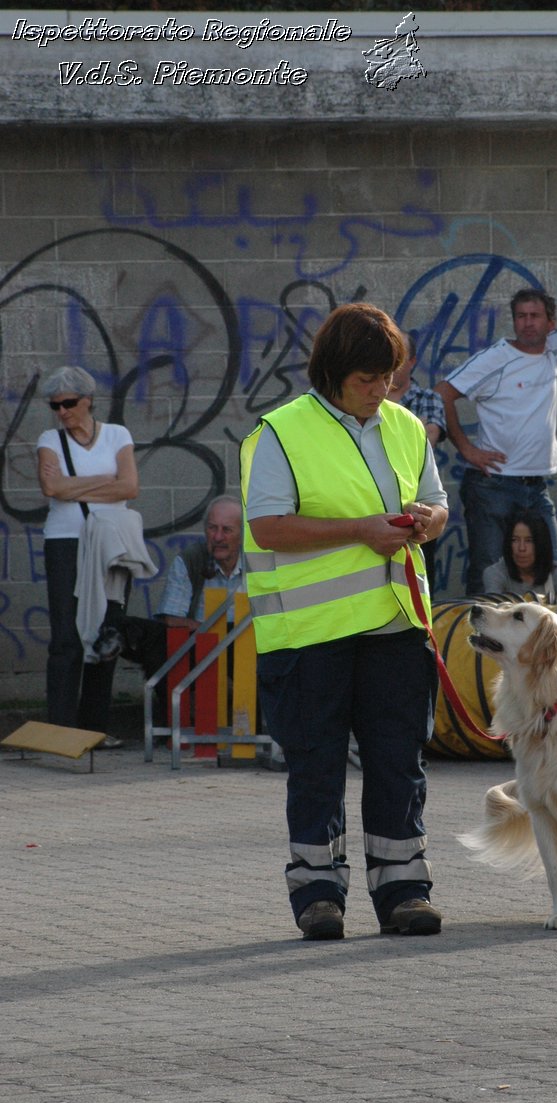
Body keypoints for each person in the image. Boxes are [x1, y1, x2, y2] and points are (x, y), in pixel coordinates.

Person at [241, 302, 448, 941]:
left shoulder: (405, 426)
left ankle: (404, 891)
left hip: (395, 627)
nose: (380, 390)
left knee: (398, 762)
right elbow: (267, 526)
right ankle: (318, 896)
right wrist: (361, 530)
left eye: (389, 377)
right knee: (316, 765)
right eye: (367, 379)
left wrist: (424, 520)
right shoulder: (280, 432)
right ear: (333, 373)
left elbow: (440, 506)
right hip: (309, 636)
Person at [435, 277, 557, 594]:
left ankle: (550, 642)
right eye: (521, 316)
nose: (527, 323)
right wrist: (466, 449)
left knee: (554, 572)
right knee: (488, 576)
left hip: (535, 485)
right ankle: (479, 642)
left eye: (535, 316)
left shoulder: (555, 350)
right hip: (492, 486)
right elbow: (442, 393)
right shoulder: (495, 358)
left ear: (549, 323)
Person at [37, 366, 140, 746]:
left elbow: (130, 485)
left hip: (111, 544)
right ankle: (60, 731)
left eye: (68, 403)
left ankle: (95, 729)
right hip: (66, 542)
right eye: (55, 405)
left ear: (88, 400)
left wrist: (72, 486)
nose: (62, 412)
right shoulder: (50, 439)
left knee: (106, 632)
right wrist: (105, 483)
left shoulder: (117, 435)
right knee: (67, 635)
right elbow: (51, 486)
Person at [119, 495, 245, 684]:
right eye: (212, 528)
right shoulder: (191, 559)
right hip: (201, 645)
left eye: (227, 530)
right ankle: (179, 711)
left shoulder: (259, 561)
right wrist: (217, 633)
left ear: (243, 533)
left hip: (248, 646)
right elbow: (171, 618)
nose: (218, 537)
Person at [389, 330, 447, 590]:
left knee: (421, 580)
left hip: (420, 511)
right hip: (378, 512)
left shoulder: (428, 399)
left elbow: (425, 446)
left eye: (399, 356)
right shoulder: (369, 404)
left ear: (412, 362)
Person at [483, 510, 557, 602]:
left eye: (529, 541)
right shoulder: (495, 573)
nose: (522, 548)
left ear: (541, 543)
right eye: (515, 540)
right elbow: (491, 612)